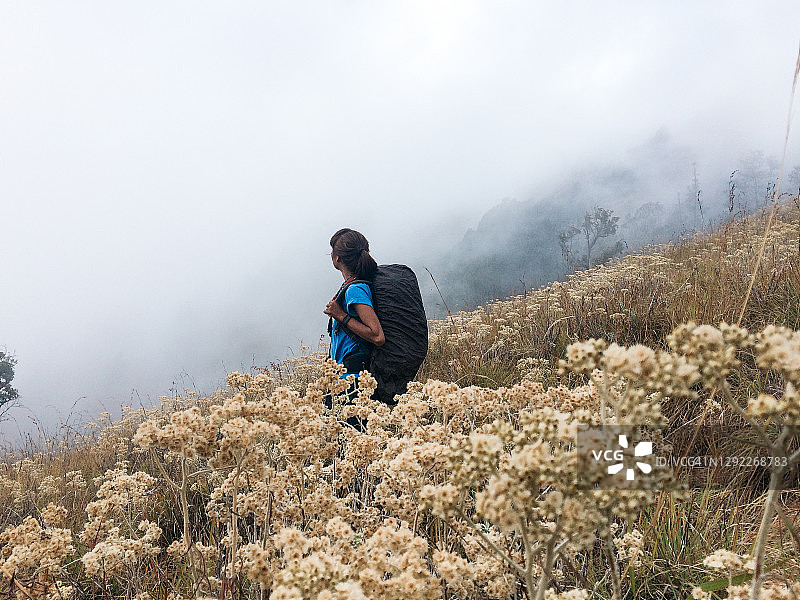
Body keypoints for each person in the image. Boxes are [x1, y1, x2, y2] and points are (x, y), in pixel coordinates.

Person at [324, 228, 385, 379]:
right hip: (348, 378)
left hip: (354, 380)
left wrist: (341, 316)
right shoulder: (354, 286)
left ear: (337, 258)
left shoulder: (355, 290)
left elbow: (377, 336)